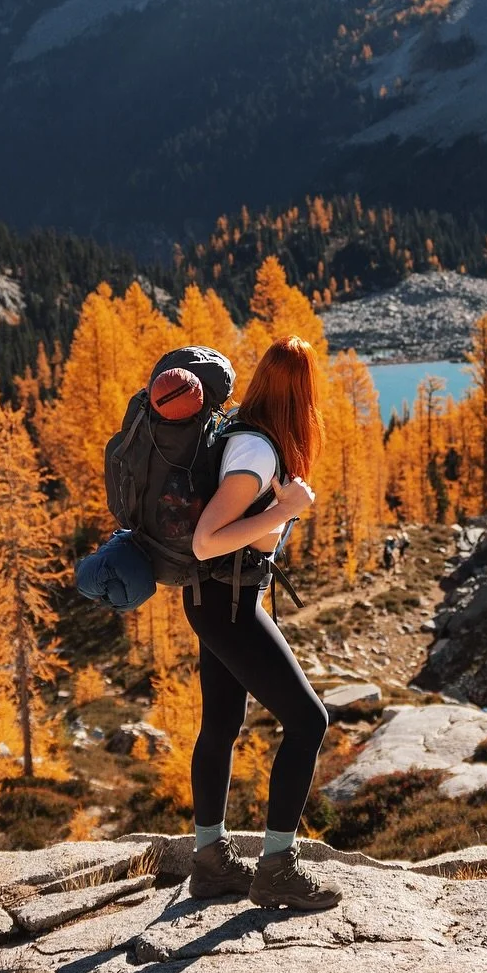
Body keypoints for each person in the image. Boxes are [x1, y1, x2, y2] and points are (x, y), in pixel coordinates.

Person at [183, 336, 339, 911]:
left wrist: (274, 517)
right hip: (226, 602)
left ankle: (210, 863)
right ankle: (276, 866)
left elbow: (250, 534)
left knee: (222, 724)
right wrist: (284, 510)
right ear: (301, 394)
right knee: (308, 721)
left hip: (216, 601)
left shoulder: (243, 435)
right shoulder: (255, 451)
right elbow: (206, 541)